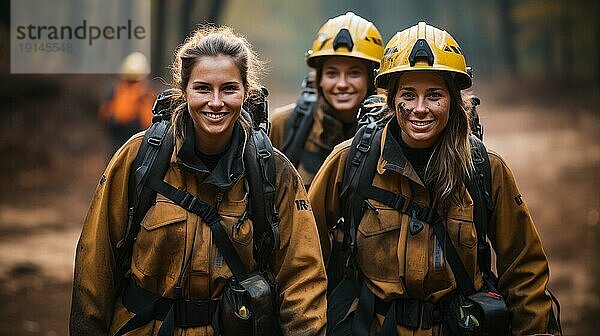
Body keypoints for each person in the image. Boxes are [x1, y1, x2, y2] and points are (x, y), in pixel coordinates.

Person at [70, 25, 327, 335]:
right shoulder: (140, 157)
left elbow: (303, 279)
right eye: (203, 88)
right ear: (184, 90)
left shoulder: (272, 171)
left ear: (247, 92)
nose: (215, 102)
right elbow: (95, 266)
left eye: (229, 88)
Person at [309, 22, 557, 335]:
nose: (420, 109)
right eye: (408, 95)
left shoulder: (484, 169)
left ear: (454, 100)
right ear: (391, 99)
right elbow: (304, 256)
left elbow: (524, 271)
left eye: (434, 95)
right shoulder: (351, 160)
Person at [269, 12, 384, 189]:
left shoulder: (390, 131)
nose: (342, 84)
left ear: (371, 79)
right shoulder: (284, 125)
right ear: (319, 79)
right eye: (332, 73)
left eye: (354, 73)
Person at [98, 51, 156, 153]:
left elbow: (149, 119)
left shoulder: (146, 93)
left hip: (139, 141)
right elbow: (105, 115)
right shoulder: (117, 90)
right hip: (119, 138)